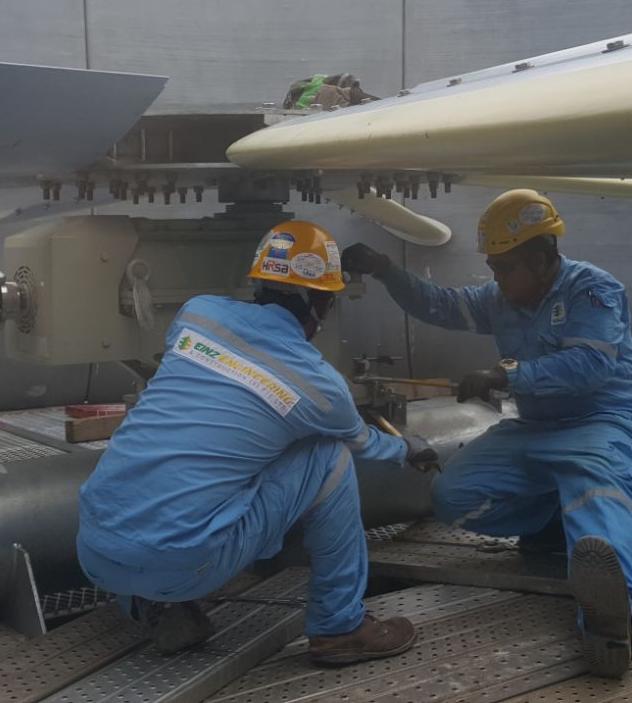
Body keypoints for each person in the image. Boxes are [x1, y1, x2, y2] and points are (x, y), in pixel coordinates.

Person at [77, 220, 437, 663]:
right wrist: (410, 448)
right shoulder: (322, 388)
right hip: (185, 566)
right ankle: (340, 626)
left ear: (260, 282)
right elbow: (368, 447)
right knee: (329, 454)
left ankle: (157, 605)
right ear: (322, 302)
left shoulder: (197, 313)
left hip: (93, 550)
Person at [342, 190, 632, 678]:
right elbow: (442, 305)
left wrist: (506, 374)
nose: (496, 278)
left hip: (604, 421)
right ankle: (551, 526)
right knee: (452, 495)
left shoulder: (592, 289)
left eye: (505, 267)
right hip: (535, 428)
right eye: (492, 268)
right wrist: (386, 270)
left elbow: (592, 366)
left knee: (600, 501)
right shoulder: (501, 297)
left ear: (542, 257)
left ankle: (614, 629)